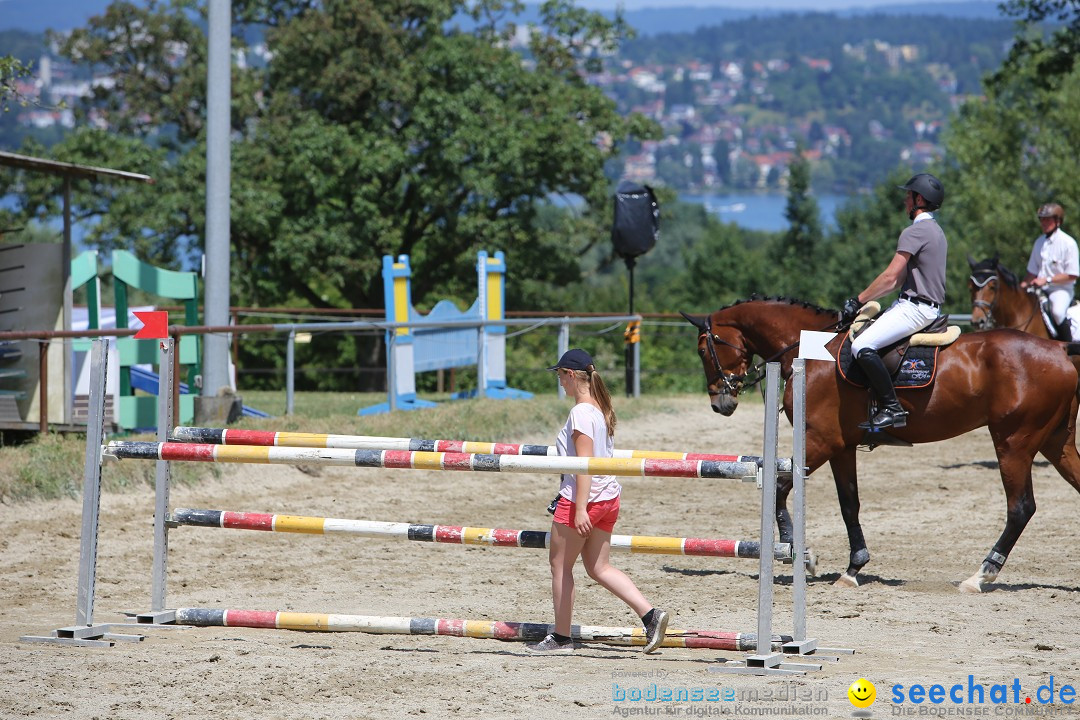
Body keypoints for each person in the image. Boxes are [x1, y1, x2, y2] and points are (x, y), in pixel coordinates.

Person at [525, 348, 670, 655]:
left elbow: (584, 465)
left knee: (560, 567)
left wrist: (578, 508)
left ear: (571, 375)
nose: (560, 383)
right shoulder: (599, 408)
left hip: (585, 499)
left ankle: (562, 638)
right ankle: (651, 615)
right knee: (599, 567)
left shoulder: (580, 413)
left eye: (561, 376)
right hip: (608, 498)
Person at [839, 173, 948, 431]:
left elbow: (889, 278)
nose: (904, 200)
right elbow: (898, 280)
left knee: (862, 345)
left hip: (915, 309)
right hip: (921, 306)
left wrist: (857, 300)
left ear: (918, 199)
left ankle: (892, 407)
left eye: (908, 196)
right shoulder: (936, 230)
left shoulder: (915, 231)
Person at [1020, 203, 1079, 340]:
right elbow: (1032, 273)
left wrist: (1047, 280)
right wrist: (1021, 288)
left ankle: (1069, 347)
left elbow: (1072, 274)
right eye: (1042, 219)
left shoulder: (1068, 243)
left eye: (1048, 219)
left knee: (1057, 312)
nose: (1044, 223)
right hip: (1039, 289)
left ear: (1058, 221)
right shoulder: (1039, 243)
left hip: (1060, 290)